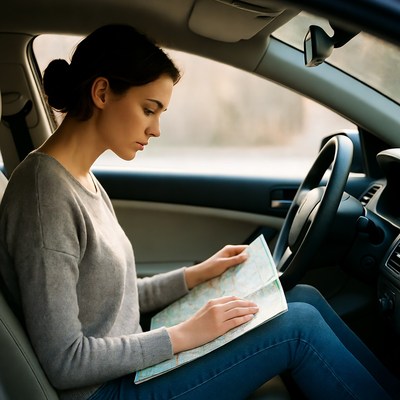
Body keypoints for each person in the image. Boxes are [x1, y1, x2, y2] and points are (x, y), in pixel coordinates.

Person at [0, 23, 398, 400]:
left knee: (304, 297)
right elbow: (64, 361)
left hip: (130, 371)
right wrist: (183, 336)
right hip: (108, 391)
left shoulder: (80, 177)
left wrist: (197, 275)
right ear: (102, 93)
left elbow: (113, 299)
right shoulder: (43, 195)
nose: (156, 129)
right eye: (149, 109)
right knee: (298, 328)